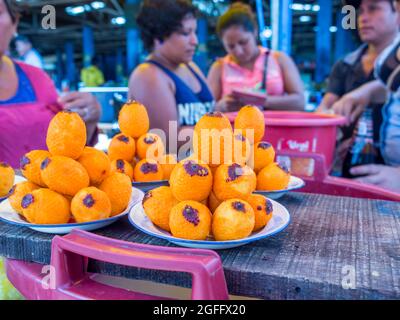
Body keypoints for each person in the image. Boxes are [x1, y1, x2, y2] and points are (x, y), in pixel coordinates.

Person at [0, 0, 101, 168]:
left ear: (14, 22)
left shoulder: (37, 79)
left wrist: (88, 121)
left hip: (46, 192)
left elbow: (68, 153)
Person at [317, 0, 399, 176]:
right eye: (360, 11)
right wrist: (333, 138)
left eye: (373, 8)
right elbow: (322, 111)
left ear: (397, 12)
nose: (363, 18)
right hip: (351, 166)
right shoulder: (345, 64)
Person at [128, 0, 214, 149]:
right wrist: (222, 131)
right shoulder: (148, 76)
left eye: (194, 32)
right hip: (173, 171)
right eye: (185, 33)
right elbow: (168, 140)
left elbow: (207, 112)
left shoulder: (191, 67)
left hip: (203, 167)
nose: (195, 41)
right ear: (159, 35)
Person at [207, 2, 305, 113]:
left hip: (274, 127)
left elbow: (300, 102)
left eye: (243, 42)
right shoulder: (219, 67)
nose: (238, 51)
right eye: (231, 46)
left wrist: (262, 101)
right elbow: (207, 108)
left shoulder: (279, 59)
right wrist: (221, 106)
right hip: (235, 129)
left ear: (255, 32)